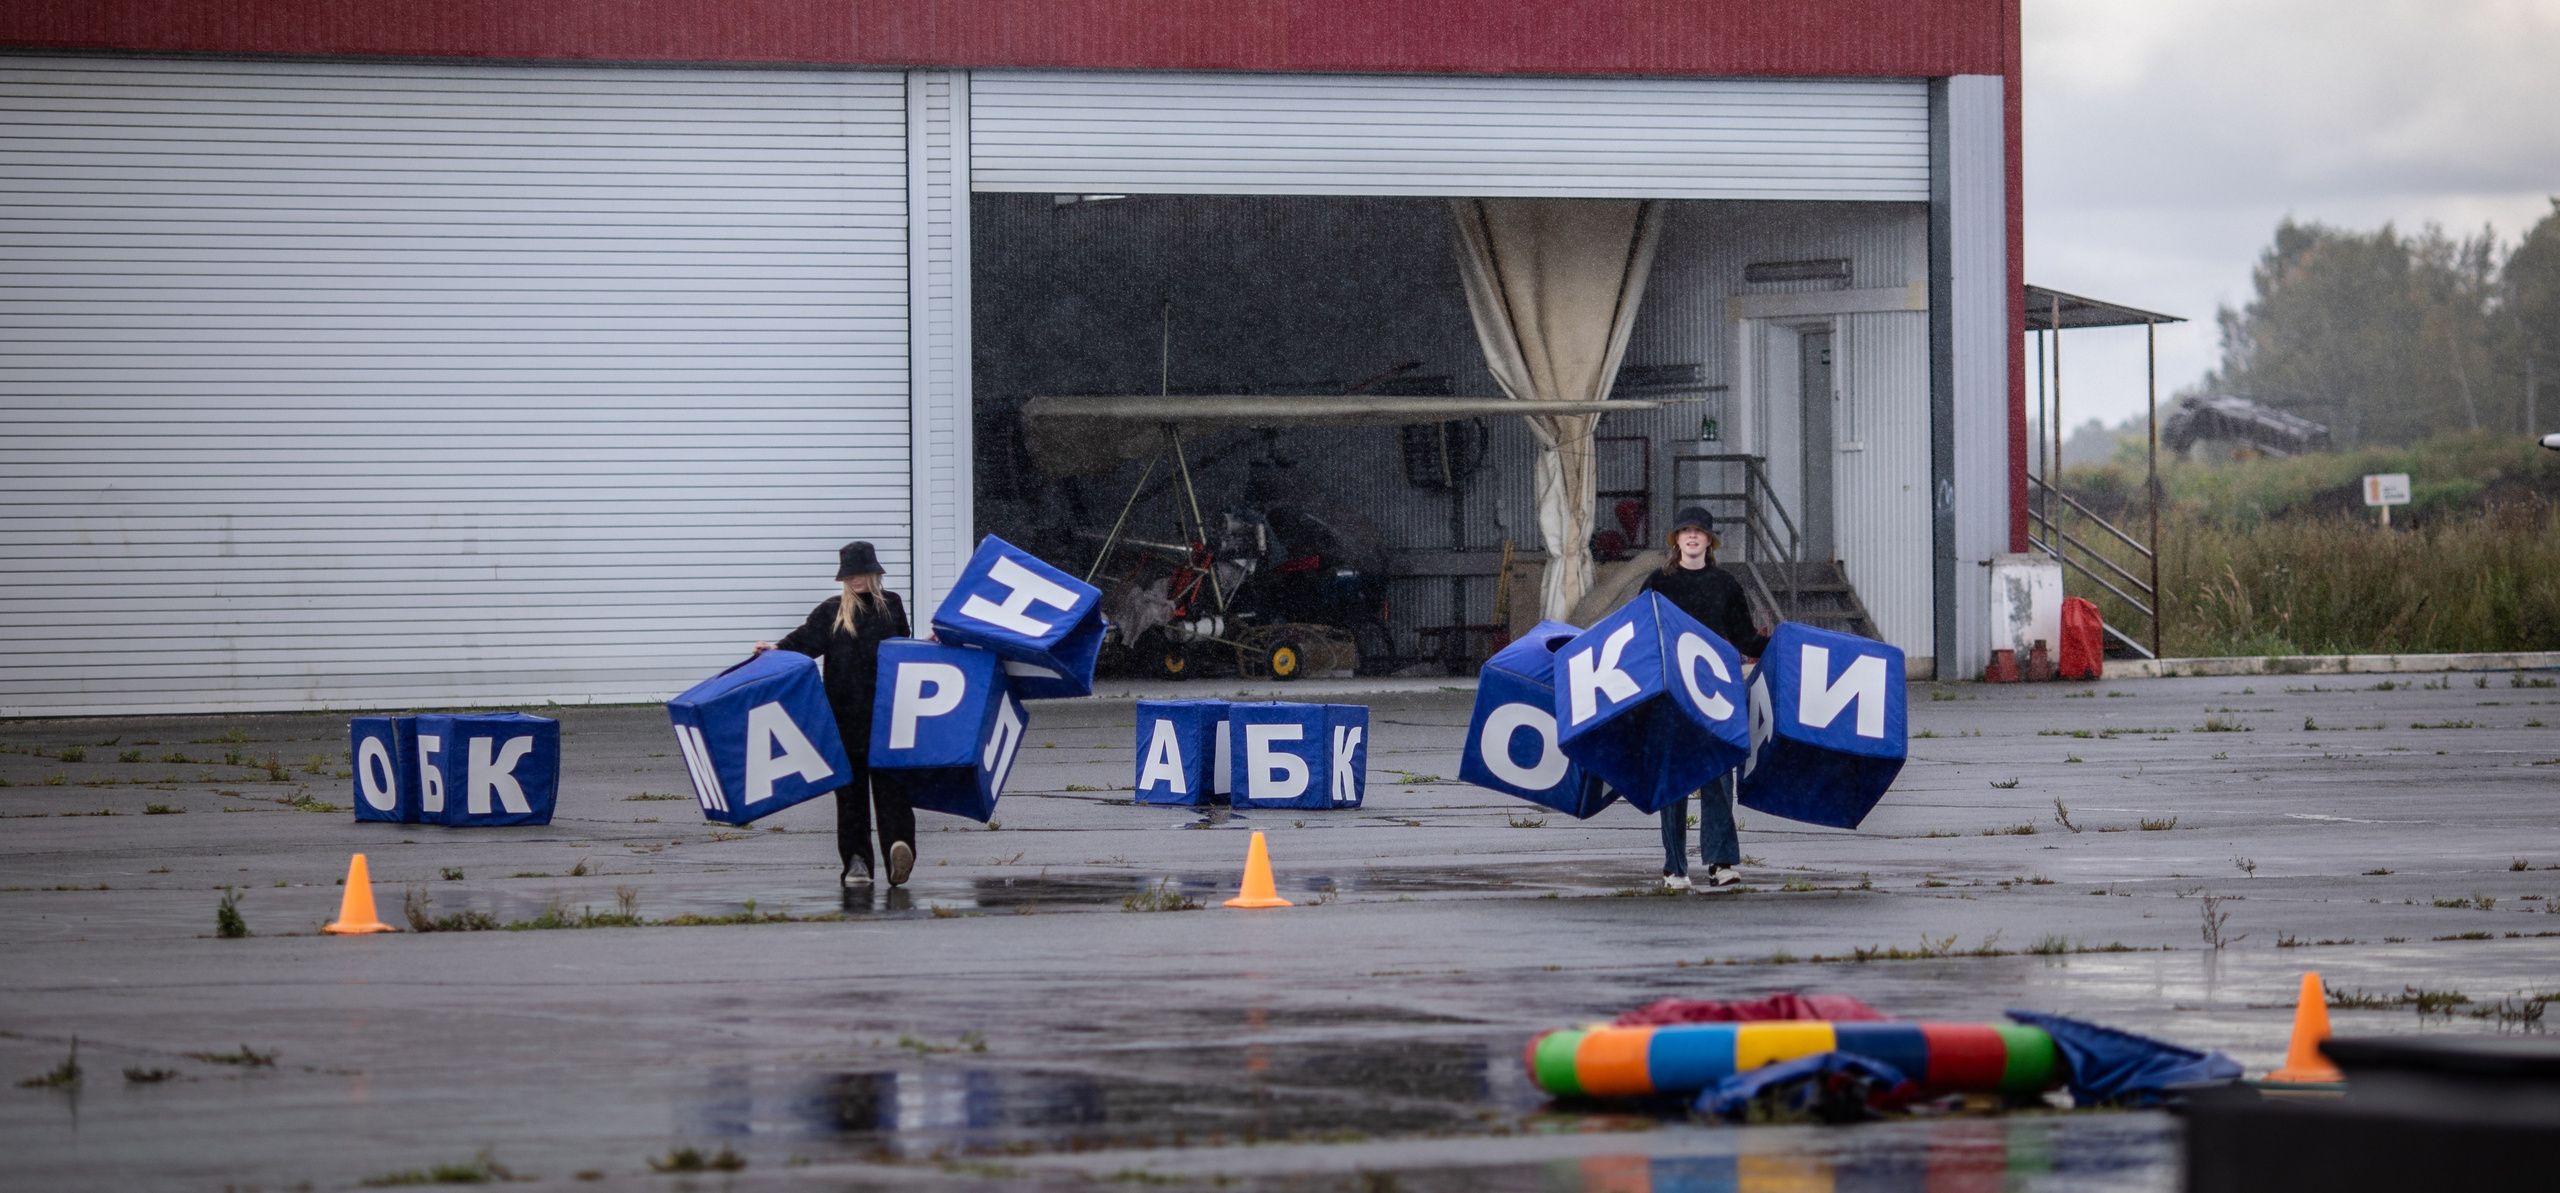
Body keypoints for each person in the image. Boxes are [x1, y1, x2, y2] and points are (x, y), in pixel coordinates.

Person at [753, 541, 914, 891]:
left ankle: (899, 848)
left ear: (875, 572)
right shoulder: (831, 611)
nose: (856, 579)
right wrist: (775, 649)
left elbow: (906, 652)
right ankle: (857, 862)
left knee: (891, 788)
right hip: (844, 718)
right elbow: (804, 643)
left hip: (888, 716)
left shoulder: (892, 606)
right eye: (850, 574)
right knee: (850, 793)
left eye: (862, 572)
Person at [1639, 506, 1768, 891]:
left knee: (1717, 777)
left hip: (1715, 693)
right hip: (1670, 695)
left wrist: (1780, 643)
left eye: (1699, 532)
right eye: (1685, 532)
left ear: (1709, 541)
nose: (1692, 537)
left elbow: (1745, 638)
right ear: (1676, 540)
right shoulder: (1657, 583)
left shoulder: (1726, 584)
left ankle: (1721, 863)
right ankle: (1674, 869)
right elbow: (1639, 633)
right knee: (1674, 781)